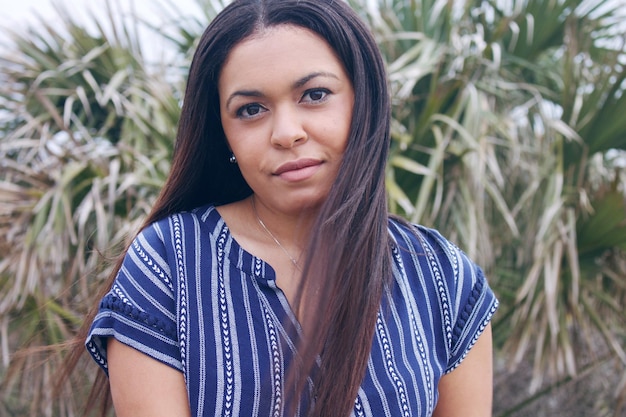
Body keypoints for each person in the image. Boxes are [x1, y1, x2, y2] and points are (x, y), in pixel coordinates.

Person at [72, 0, 499, 416]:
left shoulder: (441, 278)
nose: (286, 133)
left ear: (363, 102)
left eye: (314, 95)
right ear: (224, 134)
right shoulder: (169, 264)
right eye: (251, 110)